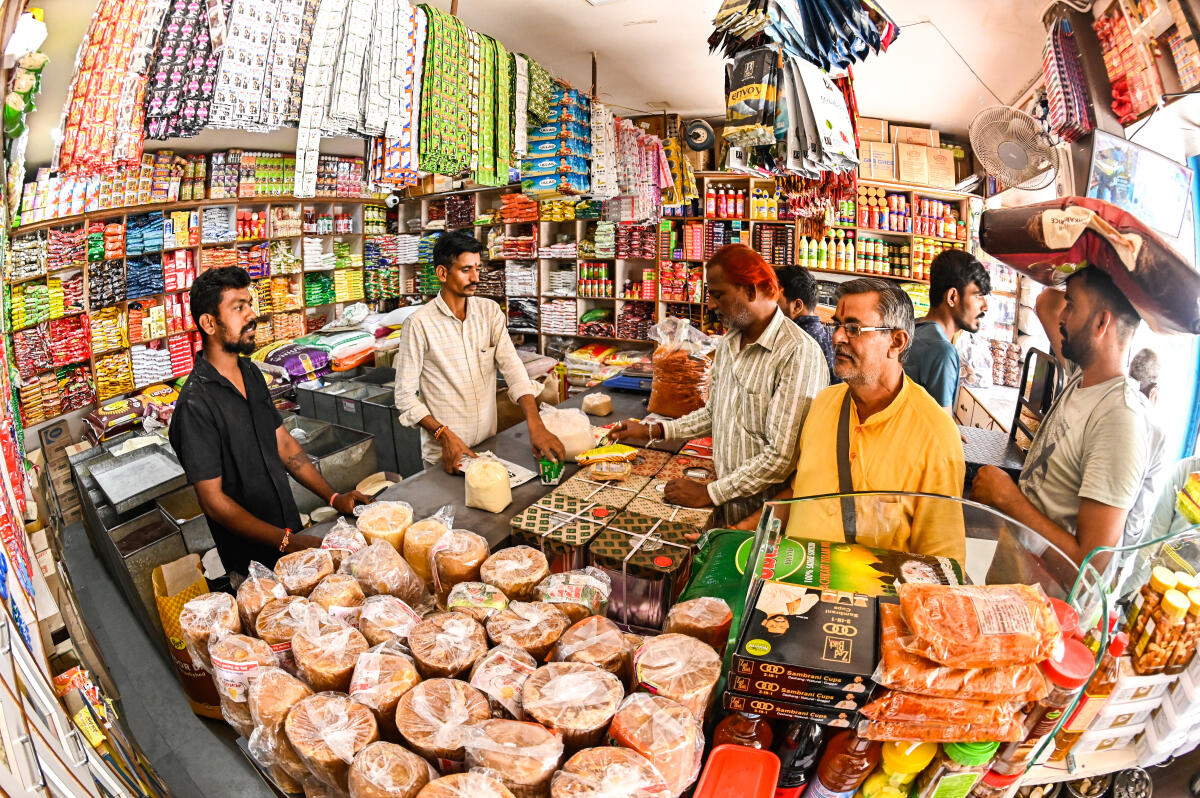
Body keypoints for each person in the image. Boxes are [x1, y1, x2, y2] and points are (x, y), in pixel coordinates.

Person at [169, 267, 371, 576]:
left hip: (290, 537)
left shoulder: (251, 373)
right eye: (239, 307)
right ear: (209, 323)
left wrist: (334, 497)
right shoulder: (195, 405)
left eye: (249, 304)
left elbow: (283, 444)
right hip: (252, 565)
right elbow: (213, 501)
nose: (252, 315)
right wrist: (286, 542)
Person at [608, 244, 828, 525]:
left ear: (751, 290)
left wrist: (710, 493)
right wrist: (653, 429)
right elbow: (715, 413)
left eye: (718, 294)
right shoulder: (729, 342)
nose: (711, 304)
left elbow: (781, 457)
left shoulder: (798, 352)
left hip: (765, 521)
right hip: (727, 506)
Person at [970, 268, 1151, 565]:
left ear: (1101, 323)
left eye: (1072, 305)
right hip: (1017, 577)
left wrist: (1008, 499)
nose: (1062, 316)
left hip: (1049, 594)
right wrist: (1088, 260)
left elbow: (1089, 566)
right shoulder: (1082, 375)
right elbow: (1046, 302)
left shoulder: (1118, 419)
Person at [781, 278, 967, 563]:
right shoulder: (823, 403)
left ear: (896, 342)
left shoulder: (936, 436)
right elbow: (799, 495)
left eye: (854, 328)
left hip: (864, 590)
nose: (837, 337)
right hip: (789, 579)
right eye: (837, 325)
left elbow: (942, 563)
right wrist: (739, 531)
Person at [394, 231, 565, 473]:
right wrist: (442, 434)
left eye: (477, 268)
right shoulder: (418, 324)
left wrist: (535, 422)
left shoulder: (490, 312)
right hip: (446, 455)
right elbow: (404, 397)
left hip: (488, 446)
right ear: (442, 273)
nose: (475, 278)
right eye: (466, 270)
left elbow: (512, 367)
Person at [903, 249, 990, 410]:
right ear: (952, 297)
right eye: (978, 296)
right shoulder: (942, 351)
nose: (985, 306)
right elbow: (942, 423)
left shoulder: (913, 329)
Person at [775, 265, 837, 382]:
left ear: (797, 306)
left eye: (776, 300)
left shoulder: (795, 342)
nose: (770, 306)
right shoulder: (827, 336)